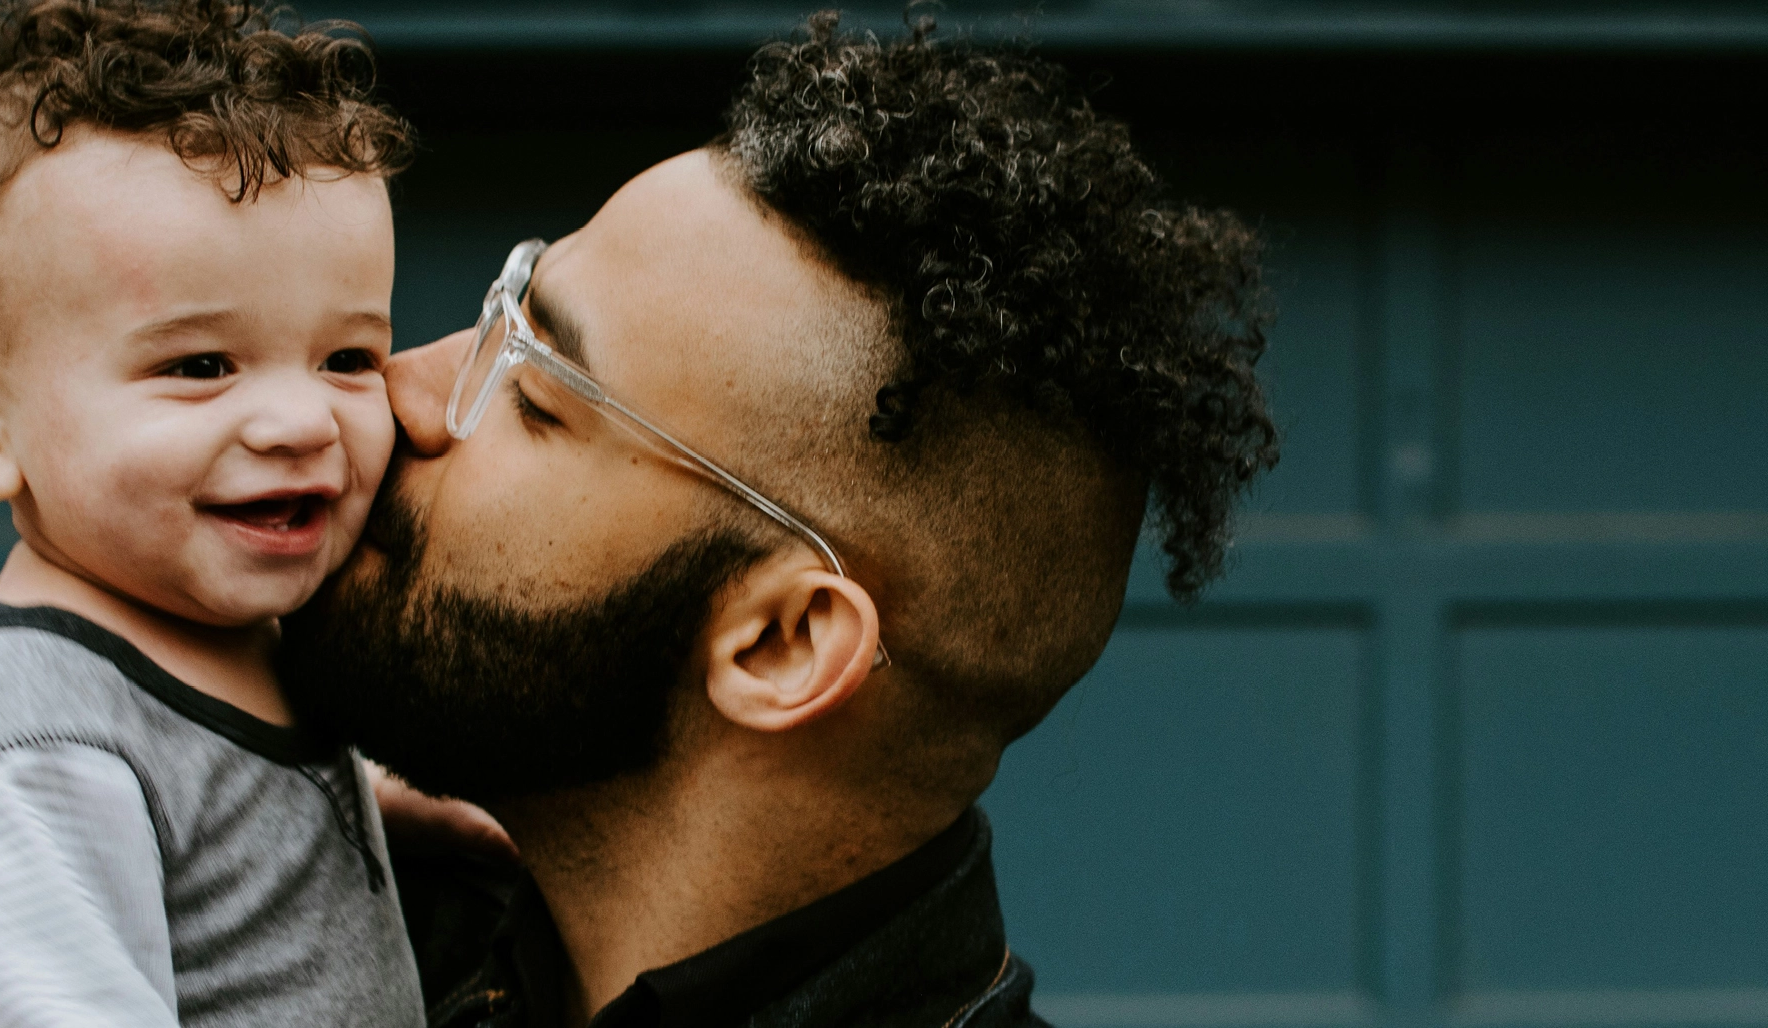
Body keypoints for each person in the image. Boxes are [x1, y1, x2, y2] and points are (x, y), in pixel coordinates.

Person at [278, 14, 1282, 1028]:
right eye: (504, 310)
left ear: (782, 642)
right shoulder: (299, 901)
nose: (396, 389)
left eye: (538, 399)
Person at [0, 1, 449, 1024]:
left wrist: (397, 822)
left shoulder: (232, 632)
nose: (301, 418)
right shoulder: (39, 768)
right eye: (200, 365)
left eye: (347, 357)